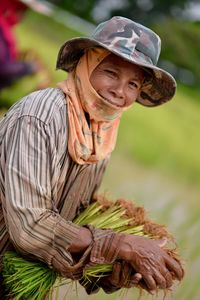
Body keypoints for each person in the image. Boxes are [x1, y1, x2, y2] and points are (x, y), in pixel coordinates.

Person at [0, 16, 184, 297]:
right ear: (85, 64)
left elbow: (70, 224)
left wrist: (115, 265)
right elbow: (30, 226)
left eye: (133, 84)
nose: (120, 93)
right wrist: (120, 244)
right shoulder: (39, 115)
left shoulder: (98, 134)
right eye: (110, 73)